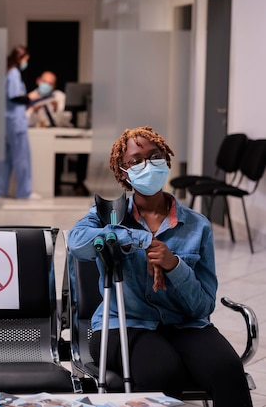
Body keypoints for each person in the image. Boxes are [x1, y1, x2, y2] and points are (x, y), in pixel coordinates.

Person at [68, 126, 252, 406]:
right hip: (125, 324)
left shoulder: (197, 225)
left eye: (154, 156)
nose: (147, 165)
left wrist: (175, 265)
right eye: (136, 160)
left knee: (227, 372)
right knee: (162, 372)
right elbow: (77, 243)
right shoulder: (109, 215)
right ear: (123, 171)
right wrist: (138, 238)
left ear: (166, 161)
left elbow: (203, 306)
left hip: (185, 324)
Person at [26, 71, 90, 196]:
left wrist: (57, 110)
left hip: (60, 131)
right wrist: (34, 111)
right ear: (38, 81)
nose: (47, 86)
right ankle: (55, 185)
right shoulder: (31, 97)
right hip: (42, 137)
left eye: (50, 84)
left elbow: (67, 118)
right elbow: (27, 121)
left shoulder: (59, 96)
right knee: (55, 155)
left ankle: (79, 182)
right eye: (45, 82)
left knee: (82, 148)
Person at [0, 45, 41, 200]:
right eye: (26, 59)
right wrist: (29, 98)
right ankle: (24, 192)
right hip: (15, 122)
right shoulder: (14, 73)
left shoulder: (7, 72)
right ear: (20, 58)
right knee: (21, 157)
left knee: (4, 158)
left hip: (6, 121)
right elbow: (14, 96)